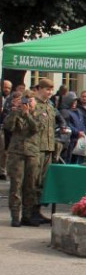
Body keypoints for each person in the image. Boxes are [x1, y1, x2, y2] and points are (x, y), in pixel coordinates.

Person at [6, 94, 39, 226]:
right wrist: (15, 112)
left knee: (30, 186)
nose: (28, 104)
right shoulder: (16, 113)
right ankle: (15, 216)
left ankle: (27, 215)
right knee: (16, 185)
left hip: (32, 154)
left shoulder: (39, 114)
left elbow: (36, 128)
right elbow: (8, 127)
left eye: (31, 101)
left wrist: (27, 115)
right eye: (26, 101)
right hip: (16, 153)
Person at [31, 78, 59, 224]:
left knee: (43, 181)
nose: (49, 92)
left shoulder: (50, 106)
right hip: (36, 148)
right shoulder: (34, 104)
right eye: (47, 89)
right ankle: (30, 211)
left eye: (51, 89)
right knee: (33, 181)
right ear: (40, 89)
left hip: (48, 147)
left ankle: (38, 210)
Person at [60, 92, 86, 164]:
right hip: (70, 141)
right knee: (69, 160)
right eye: (73, 101)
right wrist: (77, 132)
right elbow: (67, 124)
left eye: (75, 101)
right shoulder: (65, 112)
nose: (74, 103)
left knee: (78, 161)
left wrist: (83, 131)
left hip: (79, 140)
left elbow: (82, 123)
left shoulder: (78, 111)